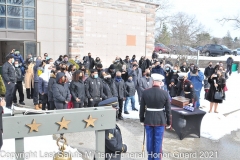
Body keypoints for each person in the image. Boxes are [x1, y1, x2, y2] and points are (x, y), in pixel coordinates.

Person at [139, 73, 171, 160]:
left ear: (153, 82)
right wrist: (169, 122)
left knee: (149, 142)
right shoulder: (165, 93)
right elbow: (168, 110)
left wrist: (142, 119)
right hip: (160, 121)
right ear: (160, 83)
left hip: (148, 119)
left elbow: (142, 108)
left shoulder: (145, 92)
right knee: (158, 142)